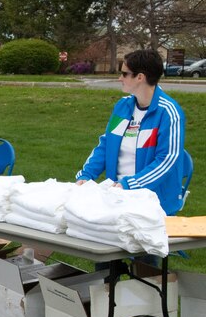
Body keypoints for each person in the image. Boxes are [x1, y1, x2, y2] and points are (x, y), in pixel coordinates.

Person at [75, 49, 186, 216]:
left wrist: (129, 185)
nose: (120, 78)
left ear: (140, 77)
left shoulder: (169, 112)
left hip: (153, 203)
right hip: (116, 197)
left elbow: (167, 160)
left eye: (124, 73)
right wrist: (86, 175)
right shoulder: (123, 106)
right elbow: (106, 145)